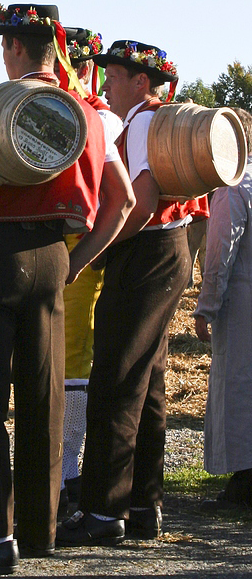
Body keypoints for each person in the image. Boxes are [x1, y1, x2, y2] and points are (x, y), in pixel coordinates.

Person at [0, 4, 135, 573]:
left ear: (16, 48)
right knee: (44, 398)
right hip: (51, 258)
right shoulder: (90, 116)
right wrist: (76, 261)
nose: (2, 54)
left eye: (3, 45)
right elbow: (124, 203)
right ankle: (40, 531)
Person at [57, 40, 210, 547]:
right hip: (167, 253)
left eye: (114, 77)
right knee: (148, 382)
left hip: (145, 254)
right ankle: (144, 506)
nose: (104, 86)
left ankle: (103, 513)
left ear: (140, 82)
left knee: (116, 380)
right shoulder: (153, 119)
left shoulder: (143, 121)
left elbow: (139, 204)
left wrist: (96, 251)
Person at [56, 31, 124, 514]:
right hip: (62, 248)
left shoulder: (100, 118)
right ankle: (58, 471)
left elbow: (120, 200)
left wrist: (82, 259)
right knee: (62, 357)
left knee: (72, 357)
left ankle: (67, 472)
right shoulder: (94, 117)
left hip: (70, 248)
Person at [193, 108, 252, 510]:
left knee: (239, 384)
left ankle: (245, 483)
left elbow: (220, 251)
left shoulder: (235, 187)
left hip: (243, 300)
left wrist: (207, 305)